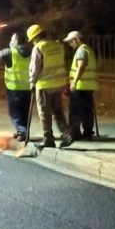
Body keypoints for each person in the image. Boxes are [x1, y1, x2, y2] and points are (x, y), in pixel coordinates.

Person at [24, 23, 71, 156]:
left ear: (35, 37)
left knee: (45, 112)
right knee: (58, 111)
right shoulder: (57, 45)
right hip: (58, 84)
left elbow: (35, 68)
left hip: (44, 85)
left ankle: (48, 138)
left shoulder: (39, 47)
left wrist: (32, 82)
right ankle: (67, 133)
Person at [64, 30, 98, 141]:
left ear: (76, 40)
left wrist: (74, 82)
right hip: (88, 87)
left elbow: (81, 66)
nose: (70, 44)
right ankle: (88, 132)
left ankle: (74, 133)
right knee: (87, 110)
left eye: (71, 42)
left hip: (80, 87)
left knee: (75, 111)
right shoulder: (89, 49)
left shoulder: (81, 51)